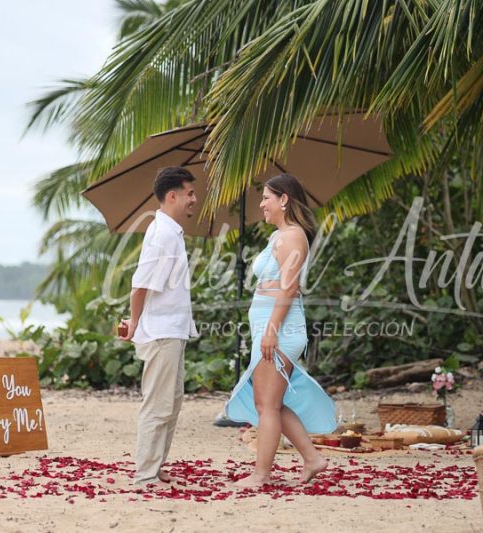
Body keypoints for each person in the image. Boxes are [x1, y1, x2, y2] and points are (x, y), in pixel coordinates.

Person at [225, 173, 337, 487]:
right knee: (269, 402)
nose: (261, 204)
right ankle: (312, 459)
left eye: (266, 198)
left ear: (284, 199)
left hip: (280, 328)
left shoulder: (292, 236)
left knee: (267, 405)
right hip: (270, 326)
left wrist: (272, 330)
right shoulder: (279, 236)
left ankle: (261, 474)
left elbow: (288, 289)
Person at [118, 166, 198, 487]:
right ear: (172, 196)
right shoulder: (163, 234)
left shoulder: (170, 232)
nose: (194, 199)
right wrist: (135, 322)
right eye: (190, 193)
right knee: (158, 404)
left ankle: (155, 467)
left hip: (173, 330)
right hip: (162, 333)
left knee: (172, 402)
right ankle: (146, 474)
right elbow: (140, 286)